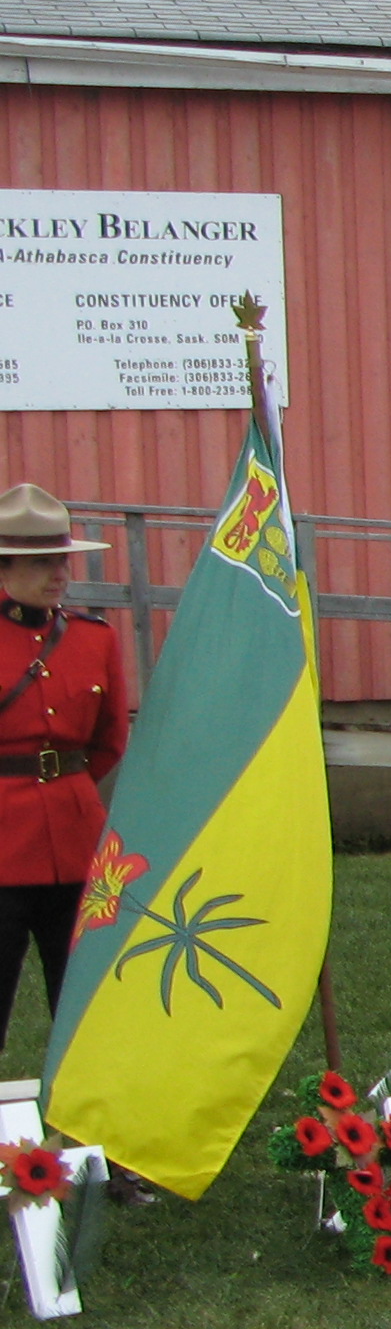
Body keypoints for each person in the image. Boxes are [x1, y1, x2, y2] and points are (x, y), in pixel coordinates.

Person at [0, 489, 138, 1183]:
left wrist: (67, 792)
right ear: (5, 569)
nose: (59, 574)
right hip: (2, 852)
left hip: (80, 851)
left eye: (62, 560)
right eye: (40, 562)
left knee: (87, 1011)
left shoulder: (93, 638)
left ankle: (101, 1153)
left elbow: (109, 741)